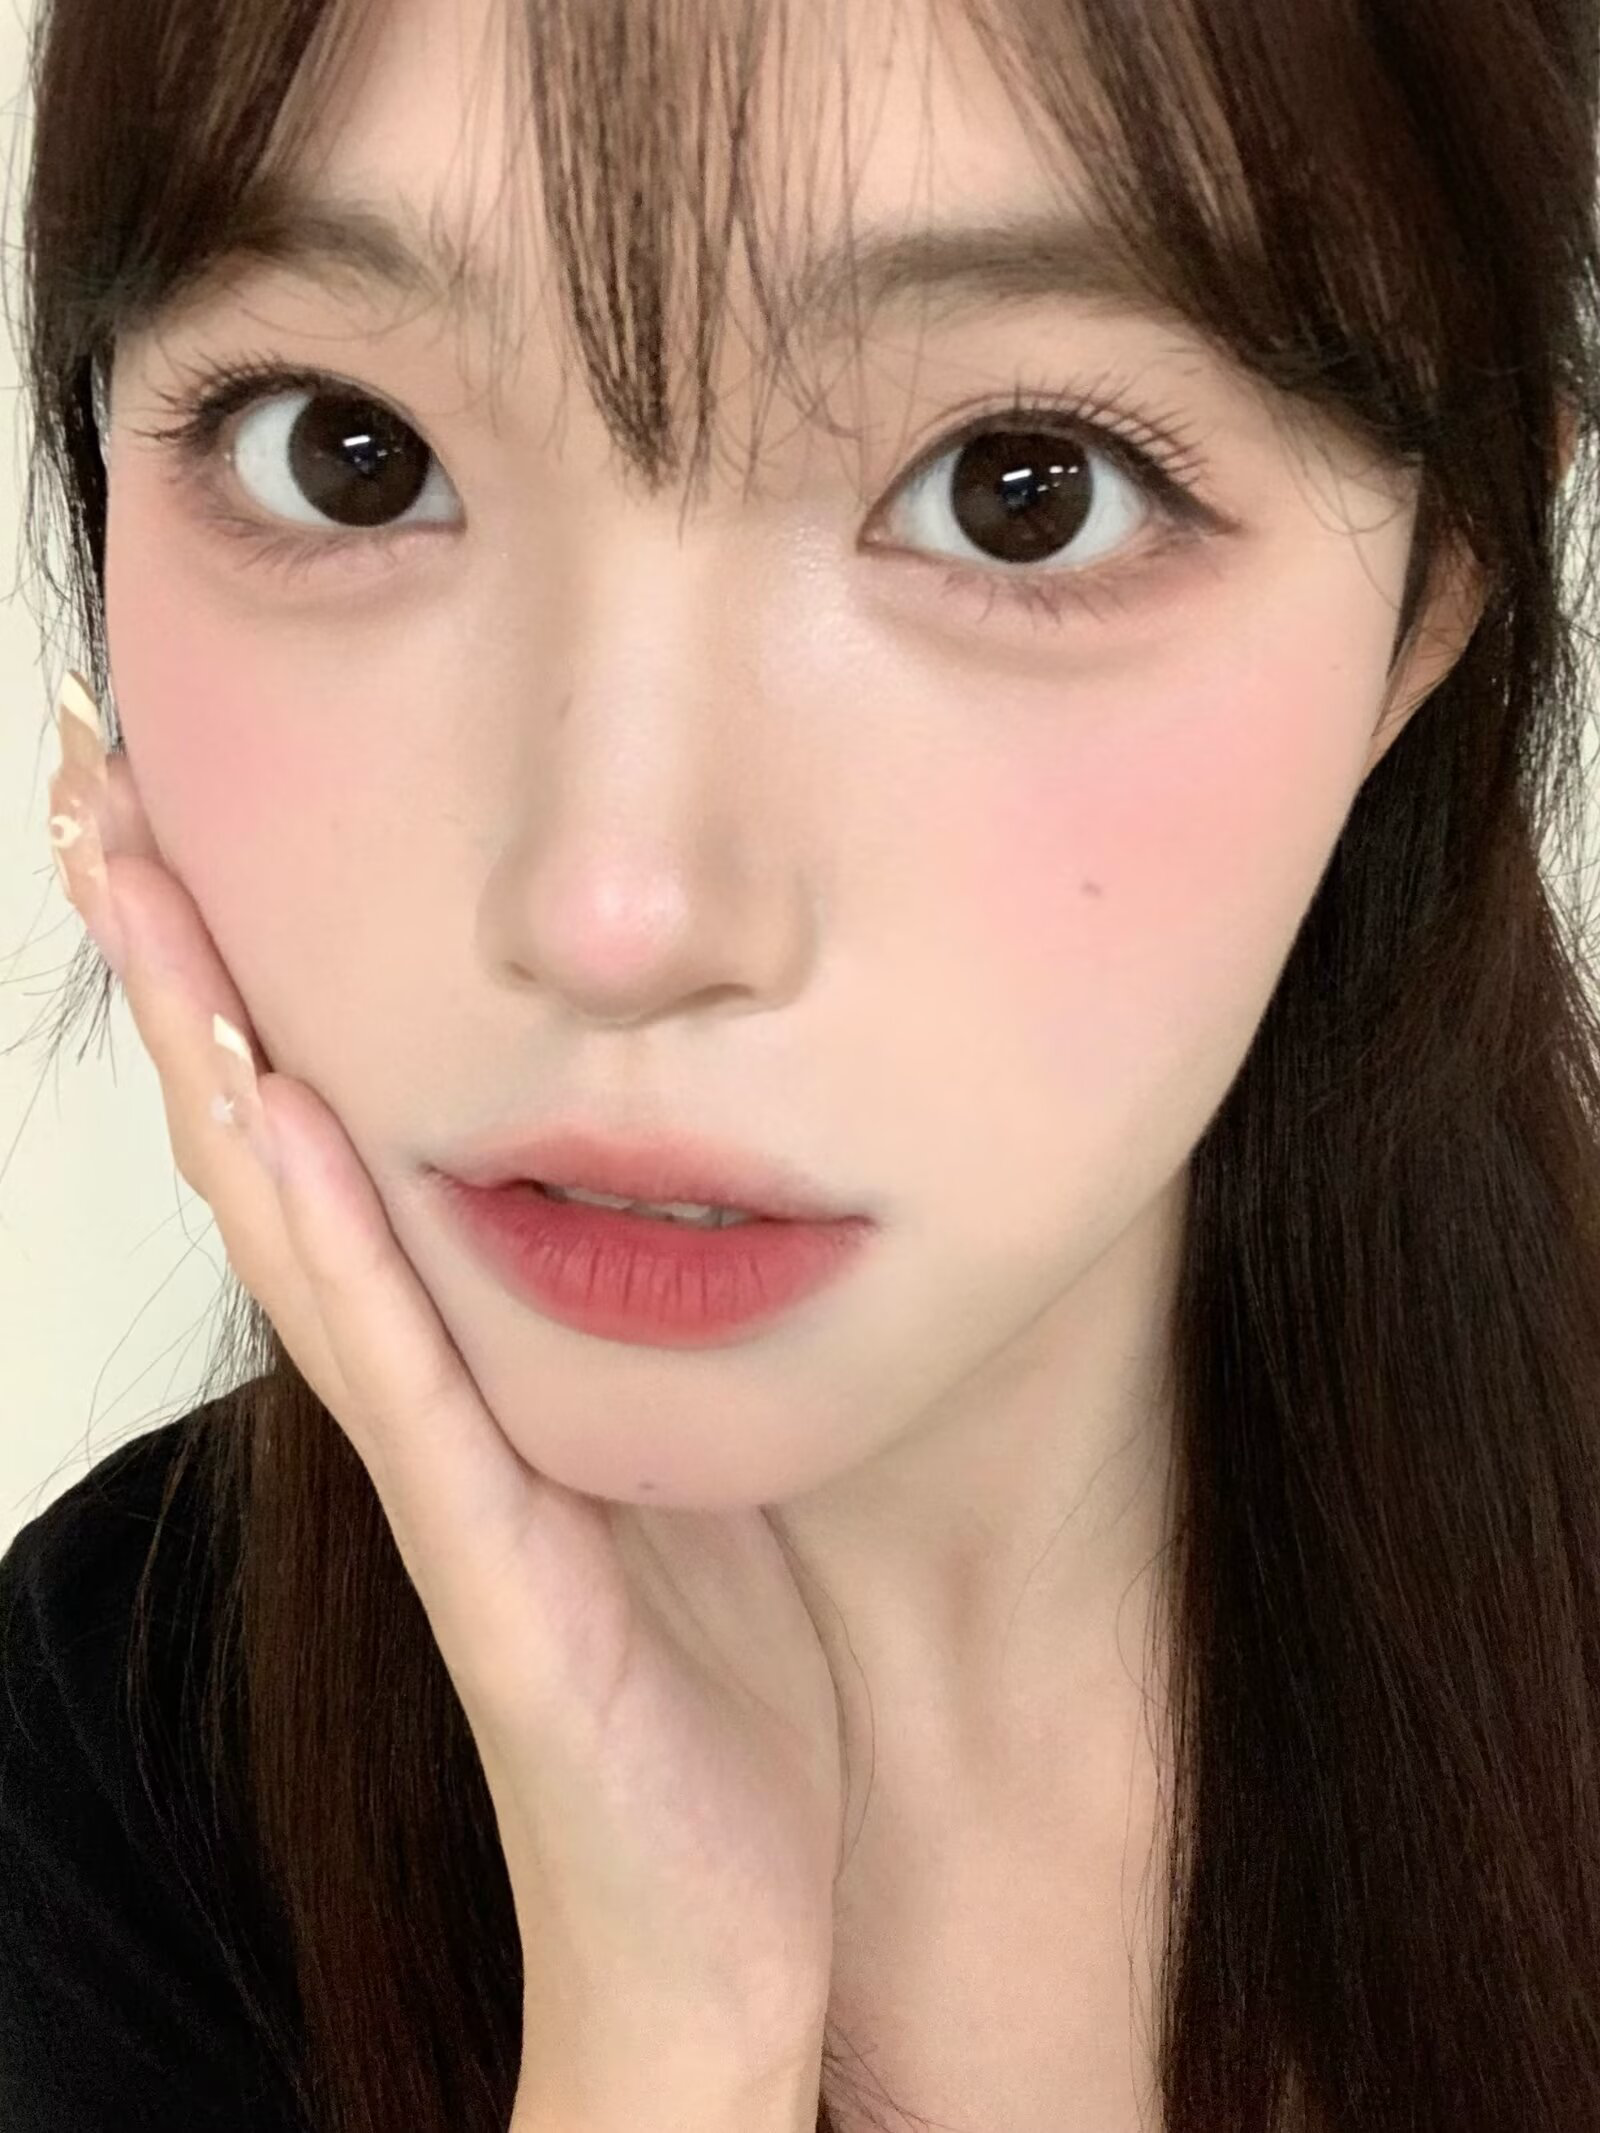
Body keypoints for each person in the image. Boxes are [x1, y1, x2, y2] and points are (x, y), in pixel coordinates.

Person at [5, 0, 1599, 2127]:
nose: (617, 910)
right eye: (345, 447)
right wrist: (663, 2032)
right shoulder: (88, 1786)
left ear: (1435, 598)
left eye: (1022, 496)